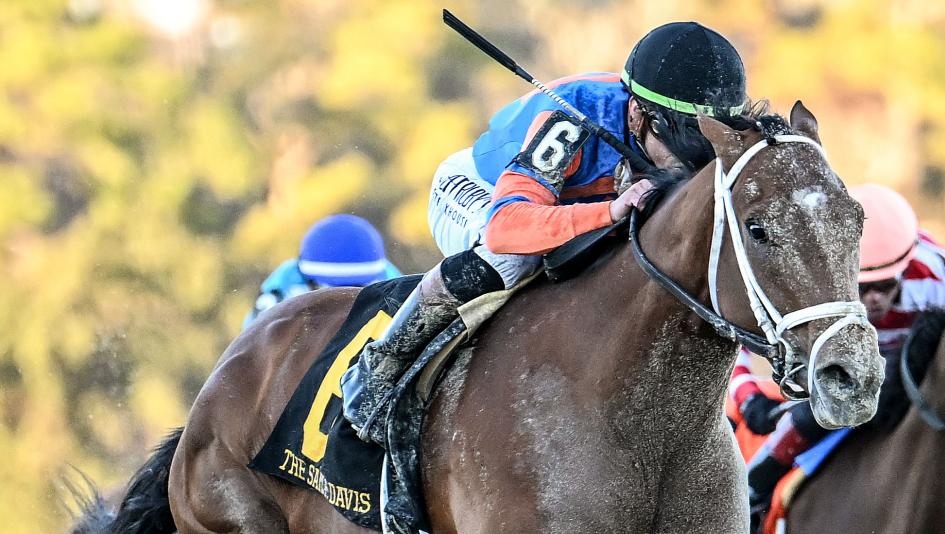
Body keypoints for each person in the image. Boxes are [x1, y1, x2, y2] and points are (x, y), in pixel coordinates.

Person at [341, 21, 754, 445]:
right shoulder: (573, 117)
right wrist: (609, 211)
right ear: (636, 113)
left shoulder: (680, 129)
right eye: (680, 138)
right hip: (484, 193)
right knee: (515, 258)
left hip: (572, 202)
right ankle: (381, 367)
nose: (689, 161)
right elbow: (507, 227)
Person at [734, 183, 945, 512]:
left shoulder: (936, 276)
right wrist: (747, 399)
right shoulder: (813, 281)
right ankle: (753, 487)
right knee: (817, 411)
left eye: (887, 285)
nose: (875, 300)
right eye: (864, 288)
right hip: (839, 373)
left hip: (914, 366)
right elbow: (732, 340)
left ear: (907, 266)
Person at [242, 214, 402, 329]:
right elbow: (253, 340)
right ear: (306, 279)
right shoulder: (286, 284)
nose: (347, 299)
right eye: (332, 289)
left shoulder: (391, 281)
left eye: (358, 286)